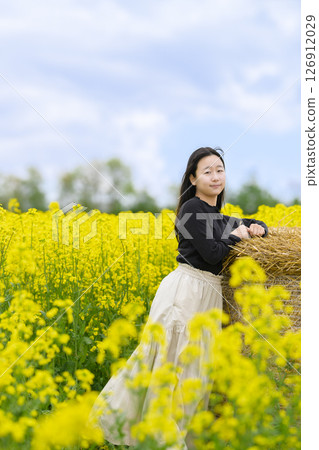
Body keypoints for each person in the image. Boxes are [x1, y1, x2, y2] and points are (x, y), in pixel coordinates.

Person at [89, 146, 268, 449]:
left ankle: (173, 439)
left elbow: (252, 222)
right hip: (186, 292)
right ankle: (159, 439)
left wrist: (256, 226)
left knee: (195, 372)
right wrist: (237, 235)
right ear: (193, 178)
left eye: (219, 170)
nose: (215, 176)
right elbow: (213, 254)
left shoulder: (213, 214)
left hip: (206, 295)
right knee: (173, 369)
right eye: (207, 171)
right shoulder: (191, 210)